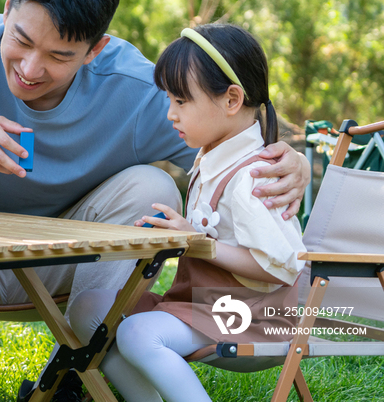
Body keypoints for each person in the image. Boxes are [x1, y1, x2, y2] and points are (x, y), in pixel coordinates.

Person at [0, 0, 310, 402]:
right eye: (21, 41)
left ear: (95, 50)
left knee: (152, 186)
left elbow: (235, 139)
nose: (30, 69)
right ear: (7, 7)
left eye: (59, 56)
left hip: (63, 266)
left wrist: (292, 161)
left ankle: (70, 371)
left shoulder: (133, 88)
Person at [68, 24, 306, 402]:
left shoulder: (252, 177)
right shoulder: (211, 158)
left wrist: (196, 243)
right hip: (201, 307)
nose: (170, 115)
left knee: (137, 333)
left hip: (253, 319)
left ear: (231, 100)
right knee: (86, 308)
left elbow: (283, 265)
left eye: (181, 102)